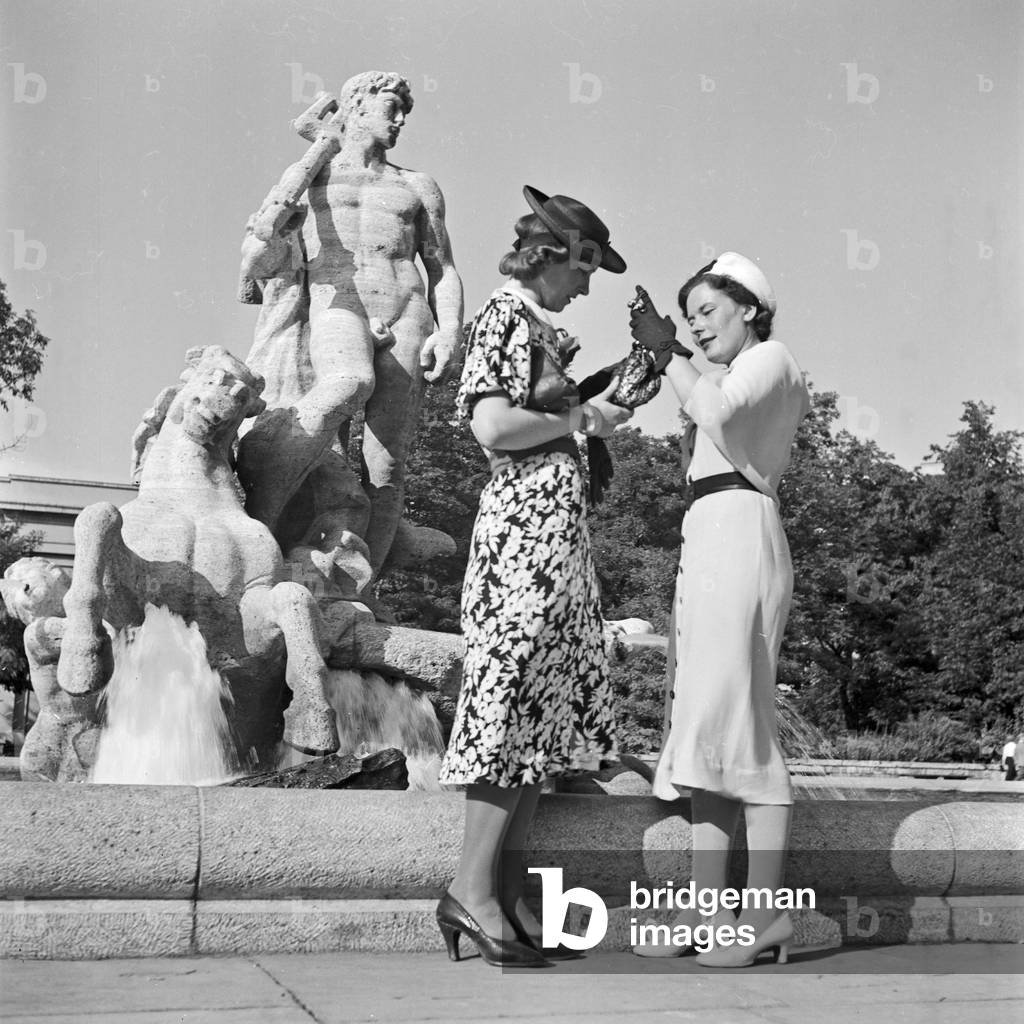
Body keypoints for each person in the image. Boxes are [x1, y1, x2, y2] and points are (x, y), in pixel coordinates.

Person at [436, 187, 634, 967]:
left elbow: (547, 420)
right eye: (586, 267)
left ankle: (505, 892)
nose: (589, 284)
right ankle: (470, 890)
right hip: (521, 533)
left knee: (537, 714)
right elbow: (491, 423)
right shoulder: (505, 316)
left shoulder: (536, 325)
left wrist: (597, 402)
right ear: (553, 256)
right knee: (509, 694)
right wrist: (580, 418)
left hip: (553, 536)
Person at [629, 253, 810, 967]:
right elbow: (704, 407)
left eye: (706, 311)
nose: (697, 326)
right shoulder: (727, 373)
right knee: (708, 728)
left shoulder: (773, 357)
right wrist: (662, 357)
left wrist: (666, 350)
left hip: (740, 531)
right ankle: (710, 913)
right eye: (690, 315)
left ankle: (763, 917)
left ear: (750, 308)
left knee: (744, 727)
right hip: (709, 533)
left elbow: (713, 408)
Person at [237, 70, 464, 584]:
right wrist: (322, 143)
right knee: (348, 382)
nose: (401, 120)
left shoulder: (417, 185)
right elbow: (267, 228)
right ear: (356, 107)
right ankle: (265, 490)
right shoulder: (314, 174)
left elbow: (443, 268)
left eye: (405, 112)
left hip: (408, 310)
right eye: (391, 108)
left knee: (387, 463)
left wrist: (450, 329)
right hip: (335, 299)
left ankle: (362, 592)